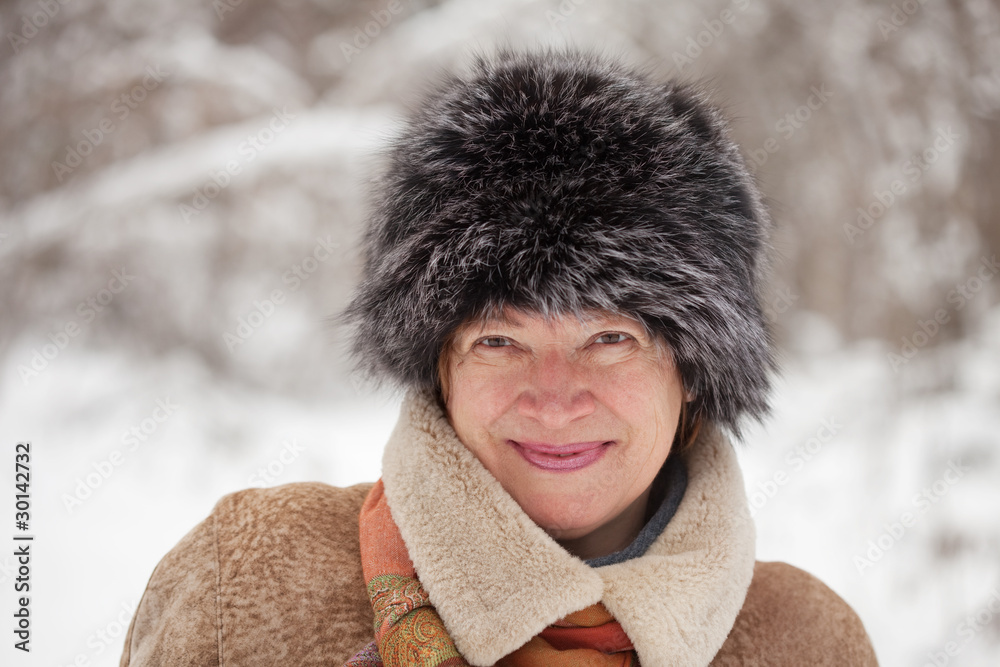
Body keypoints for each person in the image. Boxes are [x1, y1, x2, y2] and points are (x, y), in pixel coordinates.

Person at [119, 50, 879, 666]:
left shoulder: (807, 641)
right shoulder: (250, 577)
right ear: (439, 369)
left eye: (611, 338)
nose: (554, 396)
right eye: (499, 340)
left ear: (693, 371)